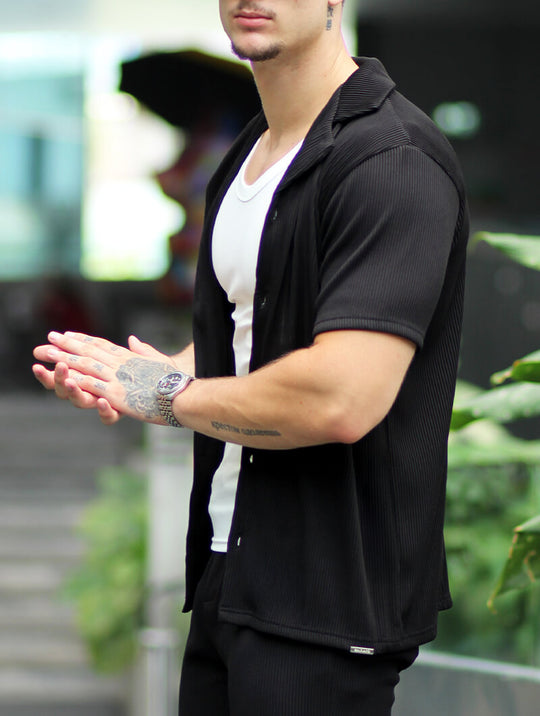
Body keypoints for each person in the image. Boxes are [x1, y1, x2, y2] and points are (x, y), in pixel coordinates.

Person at [33, 1, 469, 714]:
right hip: (229, 564)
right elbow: (247, 342)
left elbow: (340, 397)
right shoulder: (250, 155)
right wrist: (122, 376)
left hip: (327, 600)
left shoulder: (392, 158)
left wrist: (165, 394)